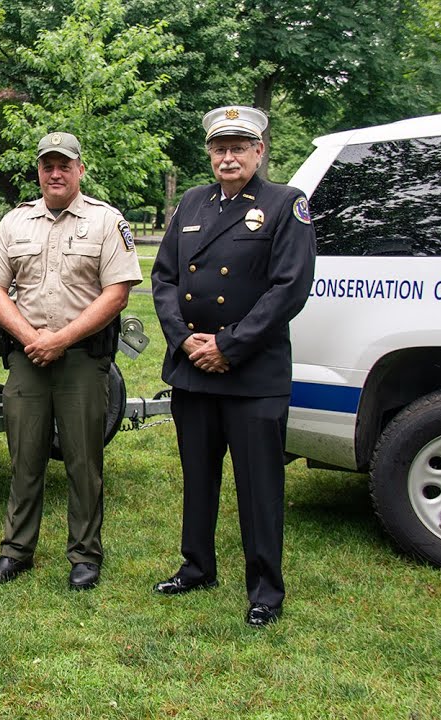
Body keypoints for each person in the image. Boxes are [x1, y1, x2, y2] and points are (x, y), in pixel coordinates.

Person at [149, 106, 316, 626]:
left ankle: (265, 589)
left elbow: (289, 288)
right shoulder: (192, 202)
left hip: (252, 373)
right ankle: (197, 566)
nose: (228, 157)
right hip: (194, 369)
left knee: (259, 486)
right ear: (209, 153)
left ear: (259, 152)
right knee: (198, 477)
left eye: (239, 148)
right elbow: (164, 278)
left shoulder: (285, 204)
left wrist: (228, 344)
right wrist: (184, 341)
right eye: (220, 148)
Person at [0, 132, 142, 591]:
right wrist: (32, 338)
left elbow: (117, 293)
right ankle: (16, 551)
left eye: (64, 165)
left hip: (82, 361)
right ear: (39, 171)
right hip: (27, 358)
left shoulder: (106, 221)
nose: (55, 173)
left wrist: (61, 339)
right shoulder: (15, 222)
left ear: (79, 170)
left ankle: (85, 555)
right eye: (47, 165)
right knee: (24, 458)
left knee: (83, 462)